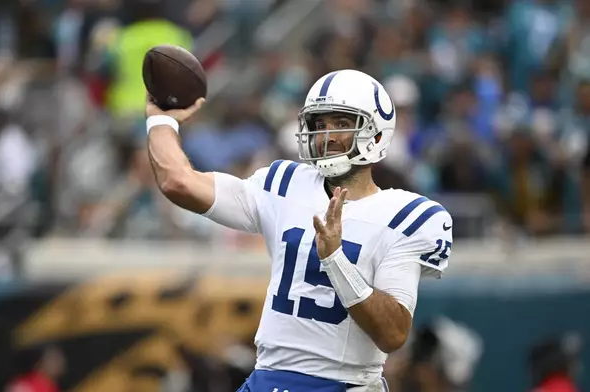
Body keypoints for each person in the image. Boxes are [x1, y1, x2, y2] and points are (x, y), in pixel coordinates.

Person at [145, 69, 453, 392]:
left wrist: (336, 261)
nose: (327, 135)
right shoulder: (283, 185)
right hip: (267, 379)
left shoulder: (404, 216)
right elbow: (177, 181)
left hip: (339, 385)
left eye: (341, 123)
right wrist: (160, 120)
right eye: (320, 125)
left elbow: (393, 334)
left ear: (375, 133)